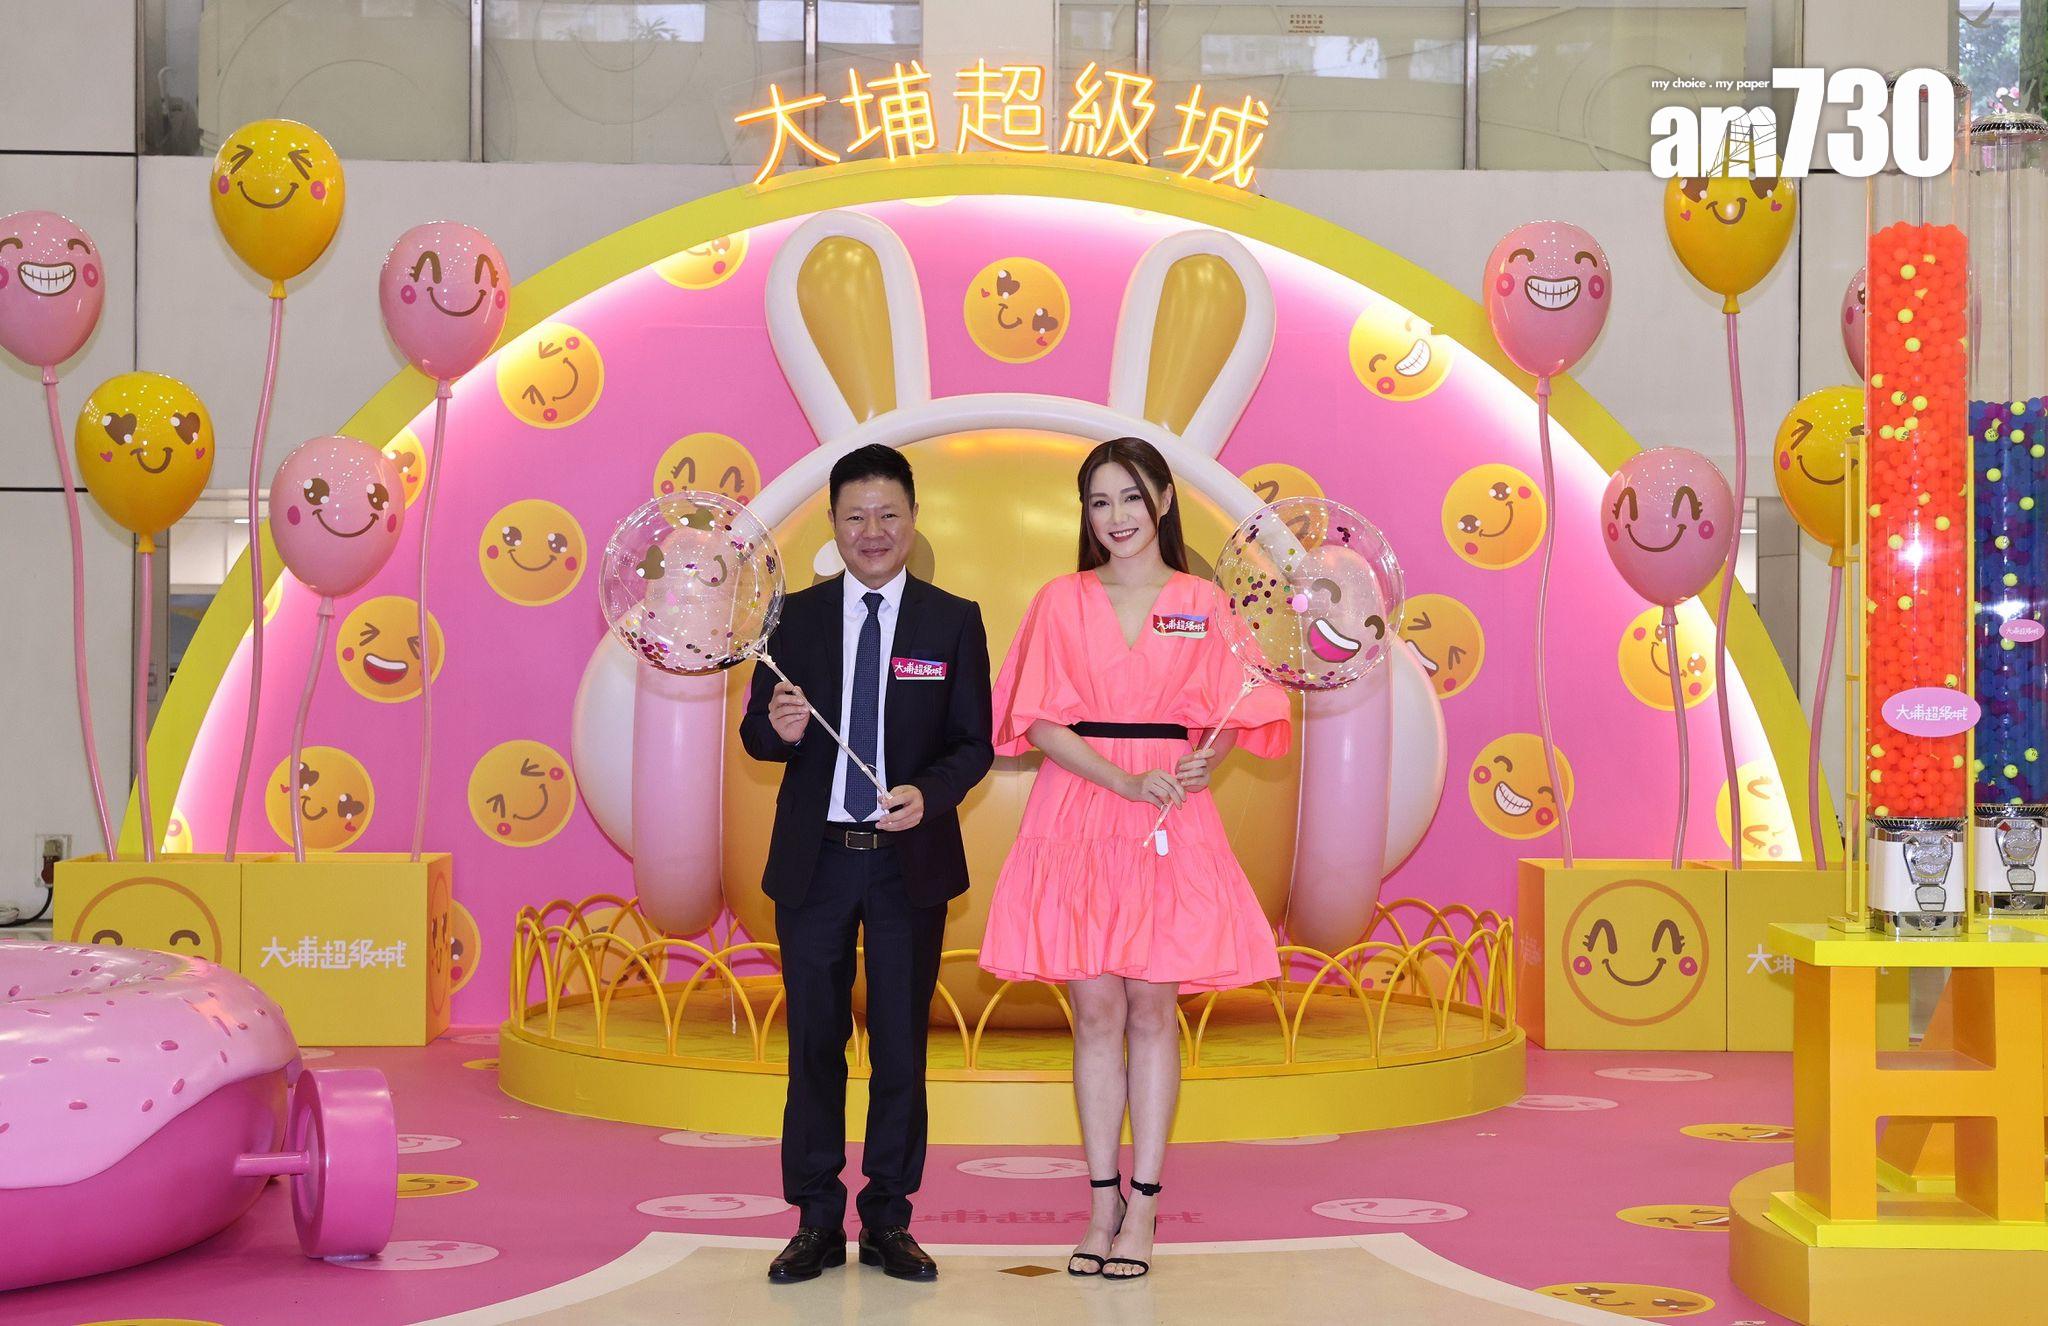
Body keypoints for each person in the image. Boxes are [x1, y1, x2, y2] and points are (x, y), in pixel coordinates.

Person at [978, 437, 1291, 1281]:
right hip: (1079, 806)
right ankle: (1100, 1202)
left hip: (1170, 814)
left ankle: (1144, 1205)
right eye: (1098, 501)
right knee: (1096, 1014)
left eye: (1129, 497)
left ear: (1162, 500)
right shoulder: (1061, 599)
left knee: (1154, 1010)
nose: (1114, 517)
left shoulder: (1202, 601)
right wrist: (1120, 778)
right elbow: (1037, 721)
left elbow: (1232, 709)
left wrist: (1204, 761)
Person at [740, 444, 994, 1285]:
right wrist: (776, 731)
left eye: (888, 514)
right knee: (814, 1043)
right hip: (814, 863)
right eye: (855, 516)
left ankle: (888, 1217)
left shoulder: (952, 620)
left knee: (899, 1047)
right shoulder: (793, 618)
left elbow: (973, 744)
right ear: (833, 523)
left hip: (906, 865)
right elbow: (756, 733)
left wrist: (931, 792)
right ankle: (815, 1217)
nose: (872, 531)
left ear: (913, 519)